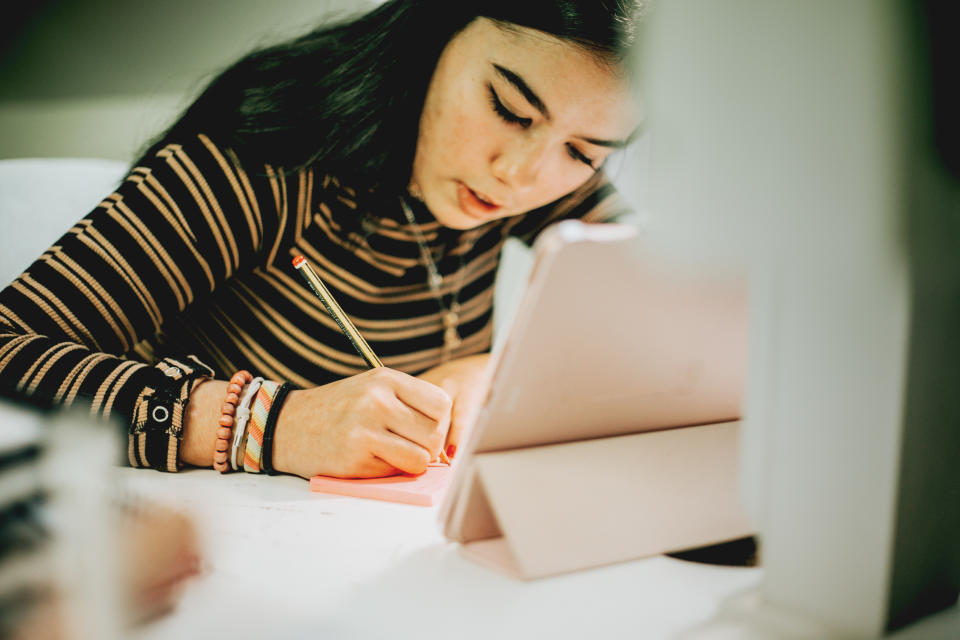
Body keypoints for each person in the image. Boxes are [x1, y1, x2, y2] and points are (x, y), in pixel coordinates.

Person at [0, 0, 641, 480]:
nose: (521, 175)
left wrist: (493, 371)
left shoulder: (550, 184)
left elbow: (650, 299)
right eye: (508, 109)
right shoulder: (260, 168)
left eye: (586, 152)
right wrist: (272, 425)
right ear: (438, 30)